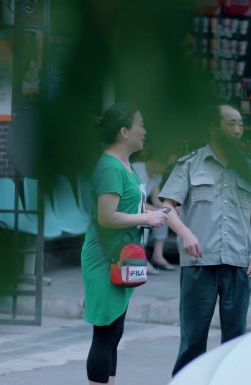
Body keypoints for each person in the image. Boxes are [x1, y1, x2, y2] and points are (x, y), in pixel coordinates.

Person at [159, 104, 251, 376]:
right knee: (192, 340)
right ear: (213, 127)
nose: (237, 130)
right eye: (231, 123)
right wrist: (185, 233)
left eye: (240, 124)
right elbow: (167, 207)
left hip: (238, 262)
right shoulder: (189, 165)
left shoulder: (250, 168)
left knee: (235, 340)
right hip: (199, 264)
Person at [81, 103, 168, 385]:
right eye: (140, 124)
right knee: (105, 333)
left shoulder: (124, 165)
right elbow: (106, 217)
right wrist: (146, 217)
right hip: (105, 258)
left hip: (121, 257)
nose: (144, 131)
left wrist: (152, 215)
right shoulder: (109, 166)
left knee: (114, 332)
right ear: (123, 132)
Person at [132, 152, 177, 273]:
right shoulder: (136, 169)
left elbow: (156, 199)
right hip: (130, 207)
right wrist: (155, 211)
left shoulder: (157, 175)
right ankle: (141, 258)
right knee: (147, 216)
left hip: (142, 206)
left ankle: (158, 255)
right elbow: (136, 201)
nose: (166, 168)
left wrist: (170, 207)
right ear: (155, 160)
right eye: (166, 165)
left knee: (164, 214)